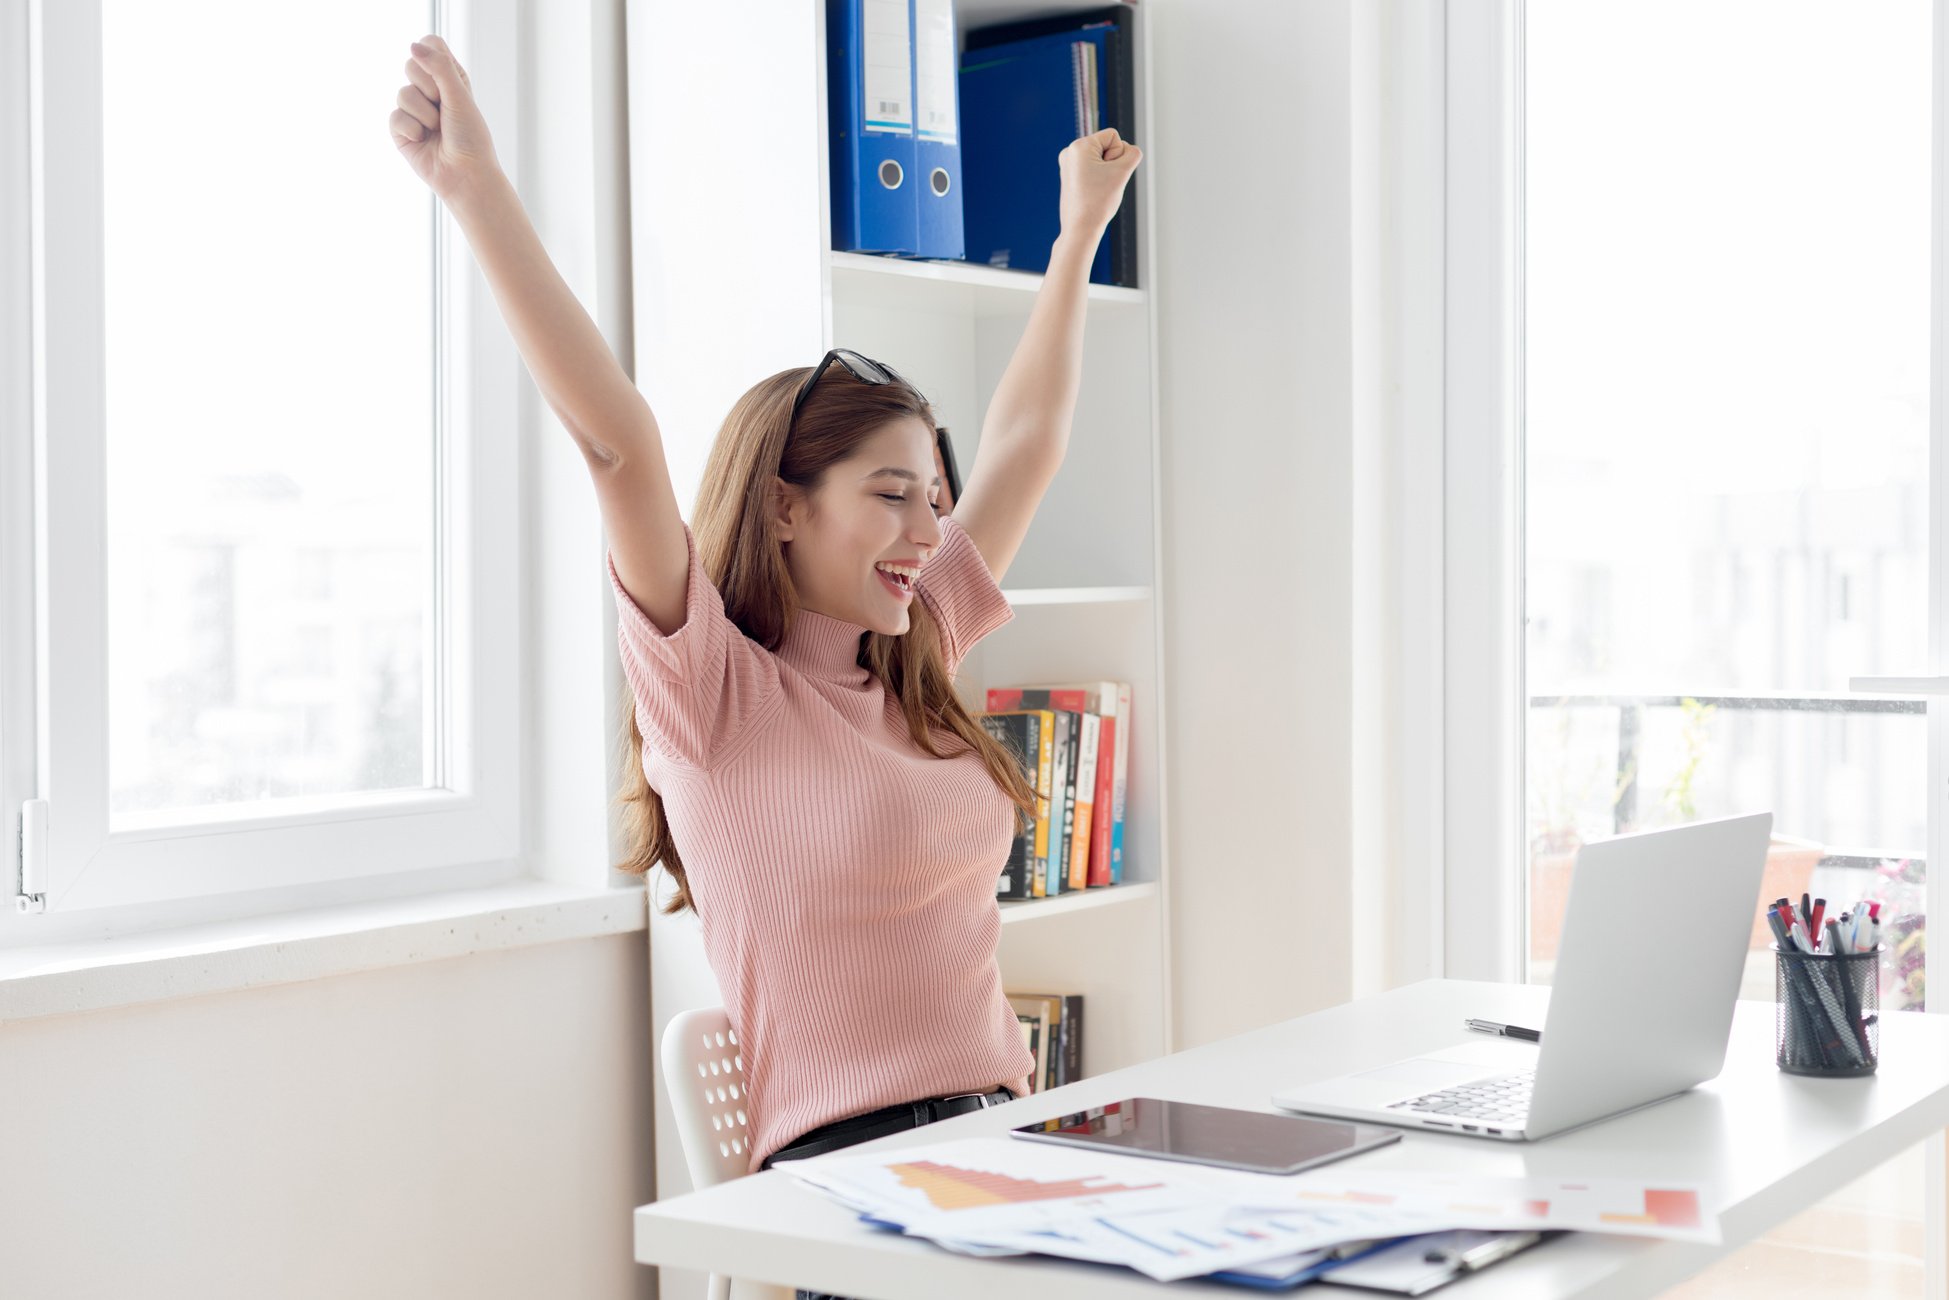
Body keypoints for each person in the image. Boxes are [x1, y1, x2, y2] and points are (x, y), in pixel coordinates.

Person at [391, 33, 1141, 1298]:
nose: (927, 532)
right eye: (892, 496)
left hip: (1008, 1150)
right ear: (785, 507)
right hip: (853, 1192)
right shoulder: (713, 694)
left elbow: (1027, 441)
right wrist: (476, 191)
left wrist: (1073, 239)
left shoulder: (916, 652)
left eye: (934, 502)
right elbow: (618, 447)